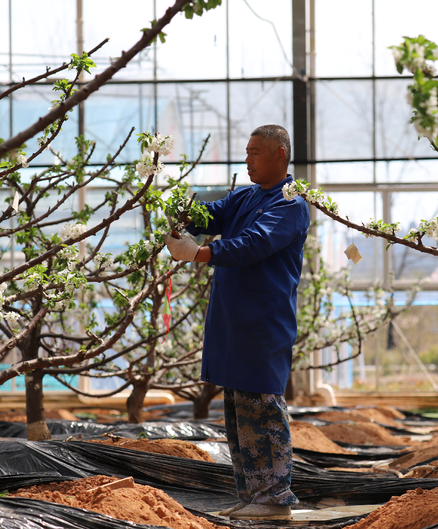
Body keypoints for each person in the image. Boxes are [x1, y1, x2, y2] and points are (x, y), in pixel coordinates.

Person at [165, 124, 309, 520]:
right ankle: (253, 495)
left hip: (263, 322)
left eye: (255, 152)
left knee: (262, 405)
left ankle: (275, 498)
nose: (247, 160)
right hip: (233, 320)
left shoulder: (290, 203)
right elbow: (210, 213)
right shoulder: (245, 196)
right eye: (246, 152)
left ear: (280, 154)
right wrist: (177, 211)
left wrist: (199, 254)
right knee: (238, 409)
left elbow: (255, 243)